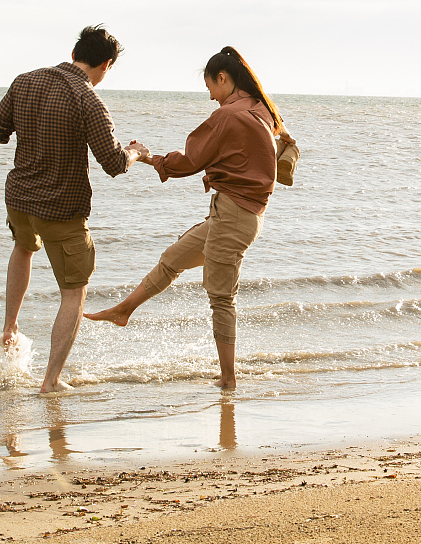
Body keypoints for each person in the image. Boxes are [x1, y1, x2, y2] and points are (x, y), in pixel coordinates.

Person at [0, 25, 148, 393]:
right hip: (61, 208)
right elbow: (113, 163)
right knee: (74, 291)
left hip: (19, 200)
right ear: (105, 64)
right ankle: (51, 381)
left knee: (23, 248)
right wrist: (138, 152)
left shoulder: (24, 81)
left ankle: (10, 327)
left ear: (74, 52)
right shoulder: (89, 100)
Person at [85, 46, 293, 390]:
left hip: (235, 217)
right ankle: (124, 311)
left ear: (223, 79)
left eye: (210, 86)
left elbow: (191, 160)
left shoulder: (228, 115)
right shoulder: (262, 109)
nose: (211, 96)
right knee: (172, 260)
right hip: (234, 214)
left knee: (221, 298)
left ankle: (228, 381)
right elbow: (260, 149)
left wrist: (149, 157)